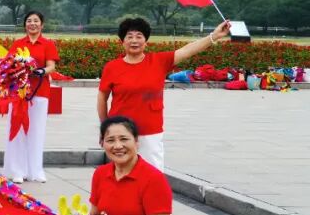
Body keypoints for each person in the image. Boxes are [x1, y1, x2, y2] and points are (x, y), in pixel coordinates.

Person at [97, 17, 231, 172]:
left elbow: (187, 50)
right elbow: (102, 97)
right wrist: (105, 128)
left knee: (152, 174)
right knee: (120, 175)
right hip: (119, 132)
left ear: (146, 41)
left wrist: (214, 36)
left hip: (150, 131)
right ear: (122, 41)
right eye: (130, 36)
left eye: (139, 36)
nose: (134, 41)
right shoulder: (112, 67)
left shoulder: (159, 61)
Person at [4, 11, 59, 183]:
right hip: (19, 93)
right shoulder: (18, 44)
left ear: (42, 25)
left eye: (36, 21)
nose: (32, 24)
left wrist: (42, 71)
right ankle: (17, 170)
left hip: (40, 92)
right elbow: (9, 64)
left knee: (36, 131)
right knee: (18, 130)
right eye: (29, 21)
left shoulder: (48, 44)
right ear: (25, 25)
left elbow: (51, 66)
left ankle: (35, 170)